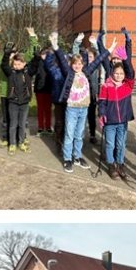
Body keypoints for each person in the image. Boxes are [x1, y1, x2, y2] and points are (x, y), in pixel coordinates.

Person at [51, 31, 113, 173]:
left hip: (83, 109)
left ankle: (77, 156)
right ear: (71, 65)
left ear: (83, 65)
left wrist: (109, 50)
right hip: (72, 109)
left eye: (80, 64)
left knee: (80, 135)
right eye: (75, 63)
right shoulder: (69, 73)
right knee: (69, 134)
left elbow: (97, 61)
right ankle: (67, 159)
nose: (77, 66)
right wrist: (55, 45)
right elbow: (61, 59)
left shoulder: (86, 72)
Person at [97, 28, 136, 180]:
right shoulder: (106, 84)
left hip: (123, 121)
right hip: (110, 120)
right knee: (110, 144)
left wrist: (128, 41)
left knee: (121, 145)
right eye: (116, 73)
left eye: (121, 73)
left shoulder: (127, 84)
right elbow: (102, 102)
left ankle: (120, 163)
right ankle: (111, 164)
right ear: (111, 72)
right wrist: (101, 115)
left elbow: (130, 71)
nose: (118, 75)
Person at [1, 50, 41, 155]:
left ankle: (21, 142)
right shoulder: (11, 73)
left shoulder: (28, 73)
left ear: (24, 64)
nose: (16, 66)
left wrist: (37, 57)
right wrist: (6, 53)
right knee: (13, 124)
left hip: (24, 103)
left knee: (22, 124)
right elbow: (4, 65)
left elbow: (35, 66)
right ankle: (13, 143)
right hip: (13, 103)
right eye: (15, 64)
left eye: (19, 64)